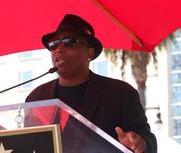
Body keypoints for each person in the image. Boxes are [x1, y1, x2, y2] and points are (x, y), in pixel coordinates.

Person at [26, 14, 157, 153]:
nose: (59, 49)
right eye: (53, 45)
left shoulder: (120, 93)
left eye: (70, 42)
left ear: (90, 53)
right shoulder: (37, 98)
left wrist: (140, 143)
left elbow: (147, 139)